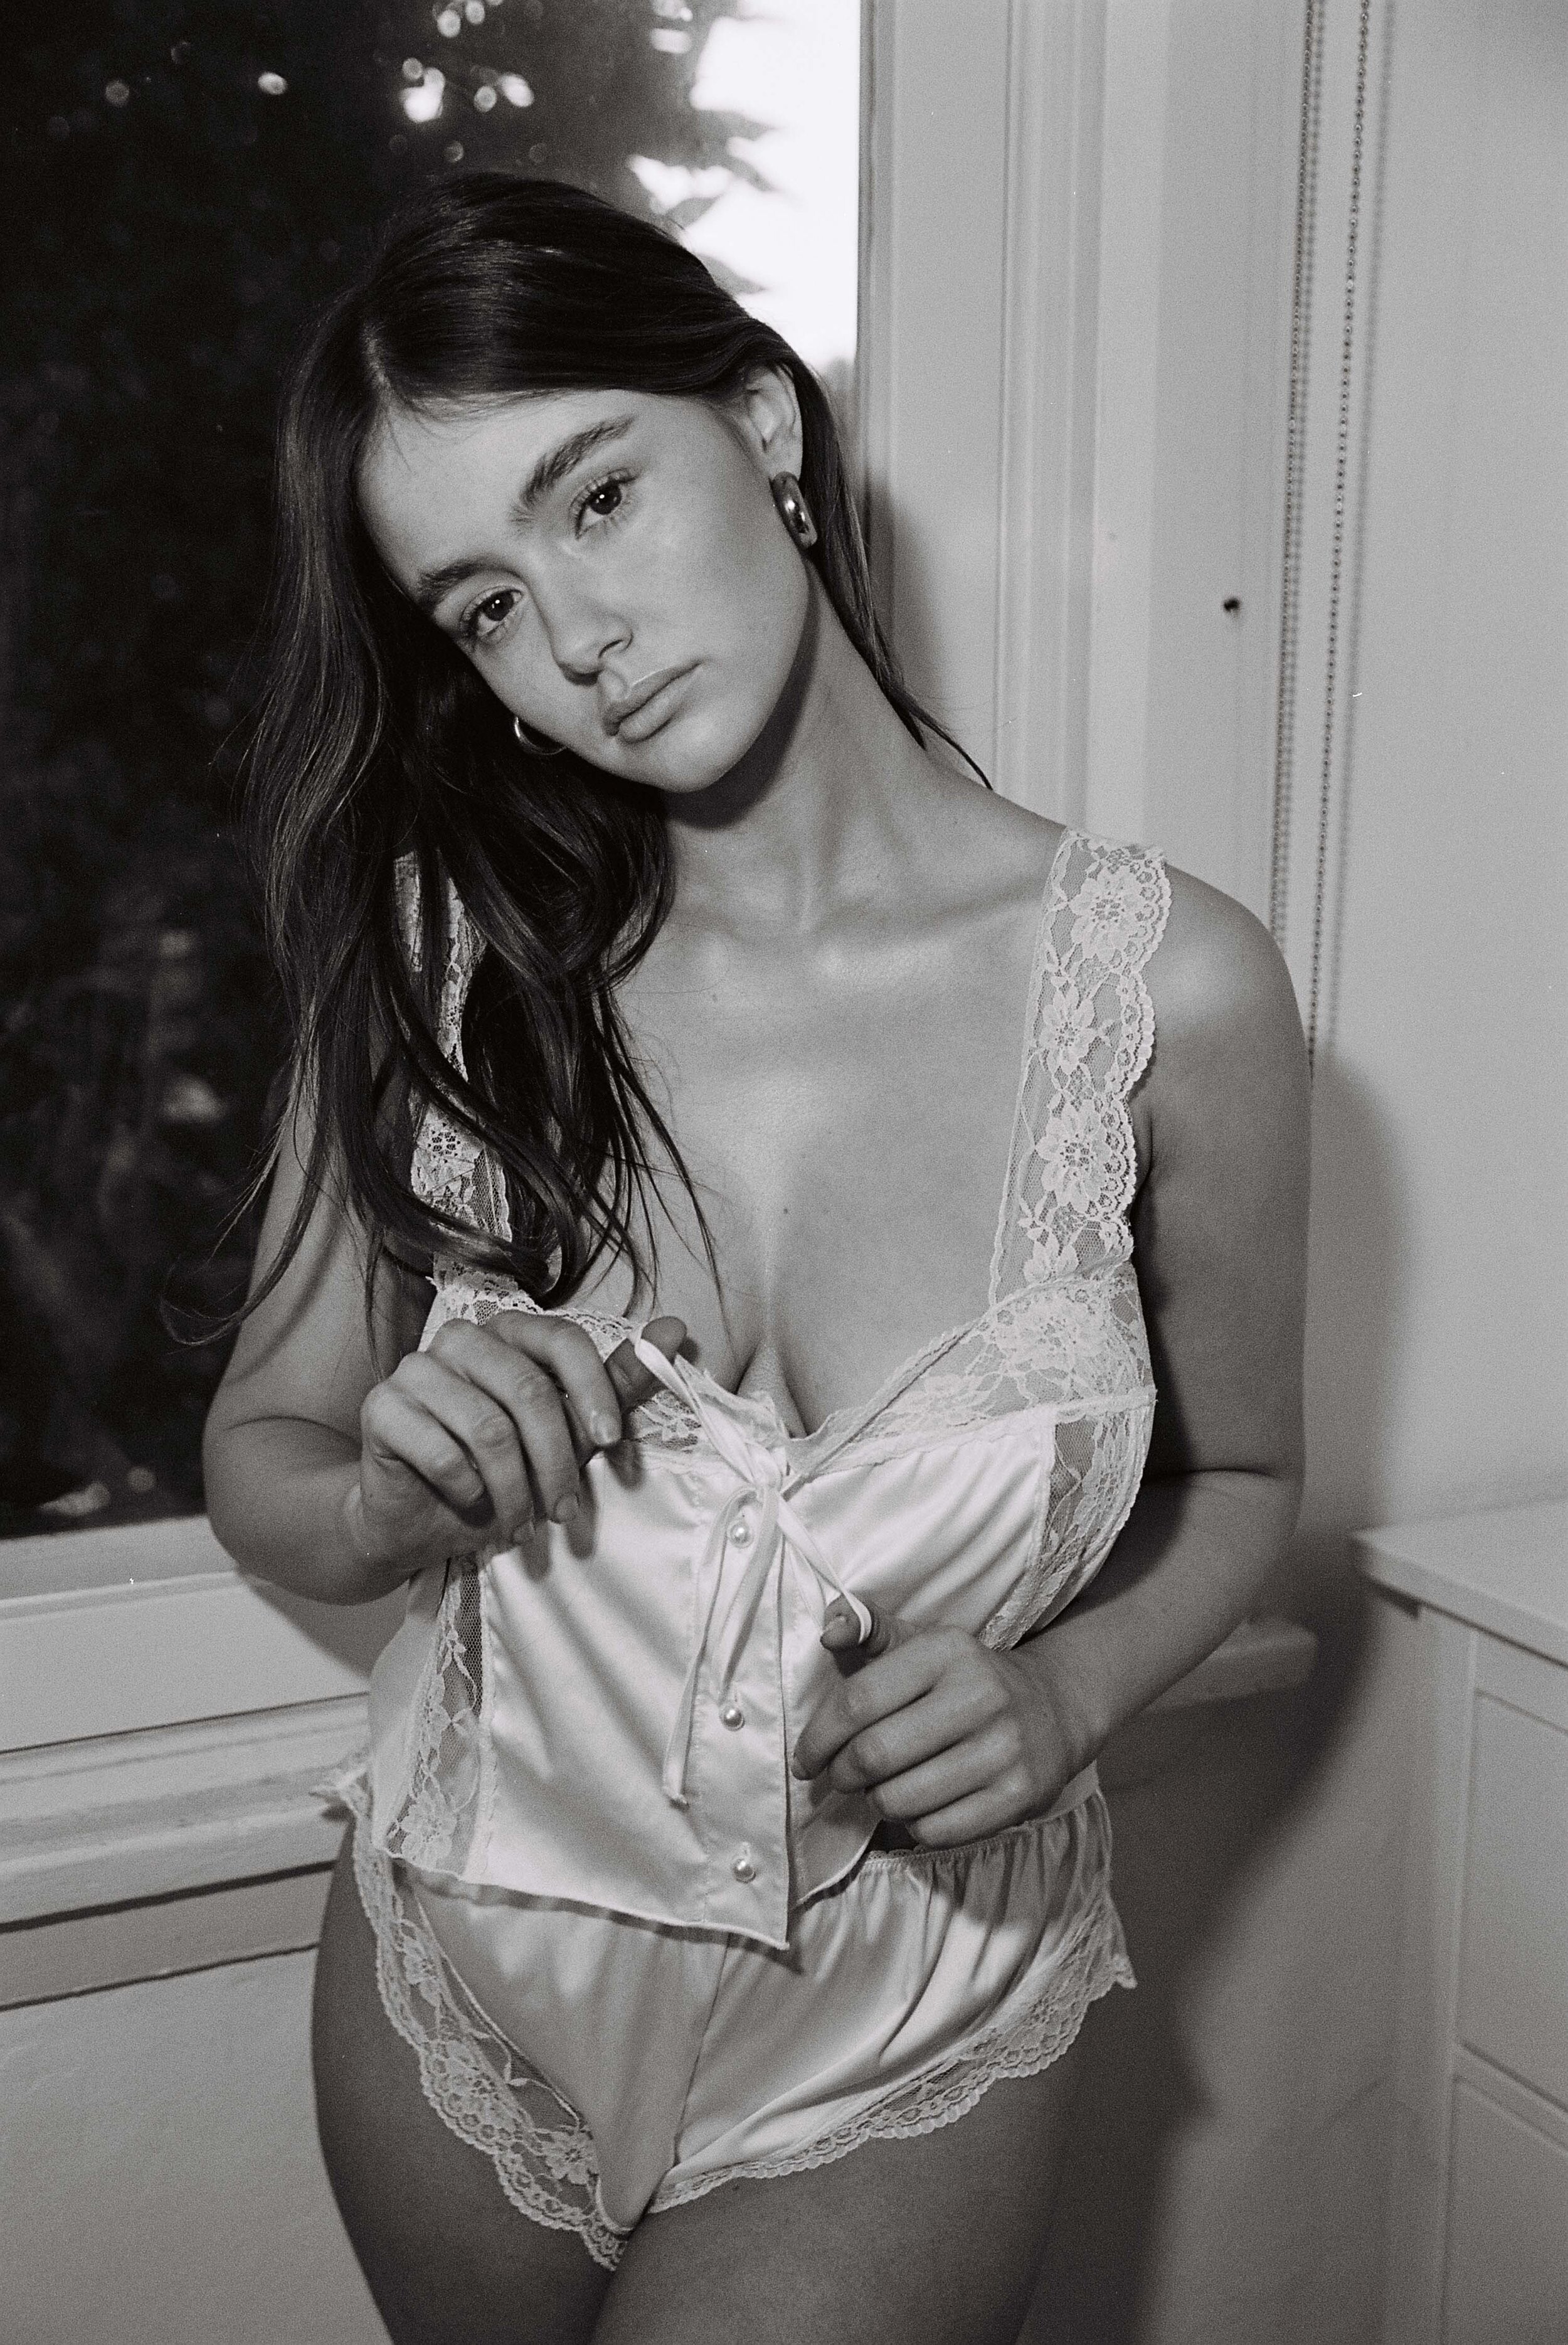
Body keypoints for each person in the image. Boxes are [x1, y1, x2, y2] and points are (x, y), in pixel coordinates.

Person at [203, 174, 1309, 2345]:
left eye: (597, 495)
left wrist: (1067, 1686)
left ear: (763, 426)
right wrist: (384, 1499)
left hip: (913, 2002)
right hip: (462, 1949)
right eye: (484, 605)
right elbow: (267, 1450)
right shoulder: (446, 957)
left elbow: (1247, 1476)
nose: (577, 637)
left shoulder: (1168, 990)